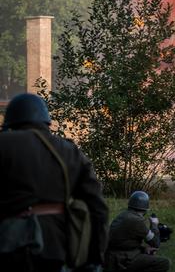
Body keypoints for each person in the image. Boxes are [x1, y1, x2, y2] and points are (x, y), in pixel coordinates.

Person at [0, 93, 108, 272]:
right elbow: (97, 208)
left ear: (11, 120)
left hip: (7, 244)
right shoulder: (70, 151)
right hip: (55, 245)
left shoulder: (4, 144)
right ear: (46, 120)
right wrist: (95, 257)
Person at [105, 191, 170, 272]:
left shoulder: (123, 215)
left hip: (114, 257)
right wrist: (154, 224)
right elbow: (155, 242)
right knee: (163, 263)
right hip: (121, 261)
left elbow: (124, 242)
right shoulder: (136, 221)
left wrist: (143, 249)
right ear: (145, 209)